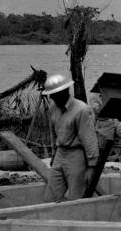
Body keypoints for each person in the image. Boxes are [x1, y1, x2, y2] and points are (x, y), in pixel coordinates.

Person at [41, 73, 98, 202]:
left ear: (65, 92)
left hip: (76, 154)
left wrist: (91, 166)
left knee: (76, 196)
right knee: (51, 196)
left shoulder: (82, 110)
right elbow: (54, 132)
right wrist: (54, 154)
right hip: (61, 153)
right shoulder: (53, 108)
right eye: (51, 95)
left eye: (55, 94)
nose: (52, 98)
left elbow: (89, 139)